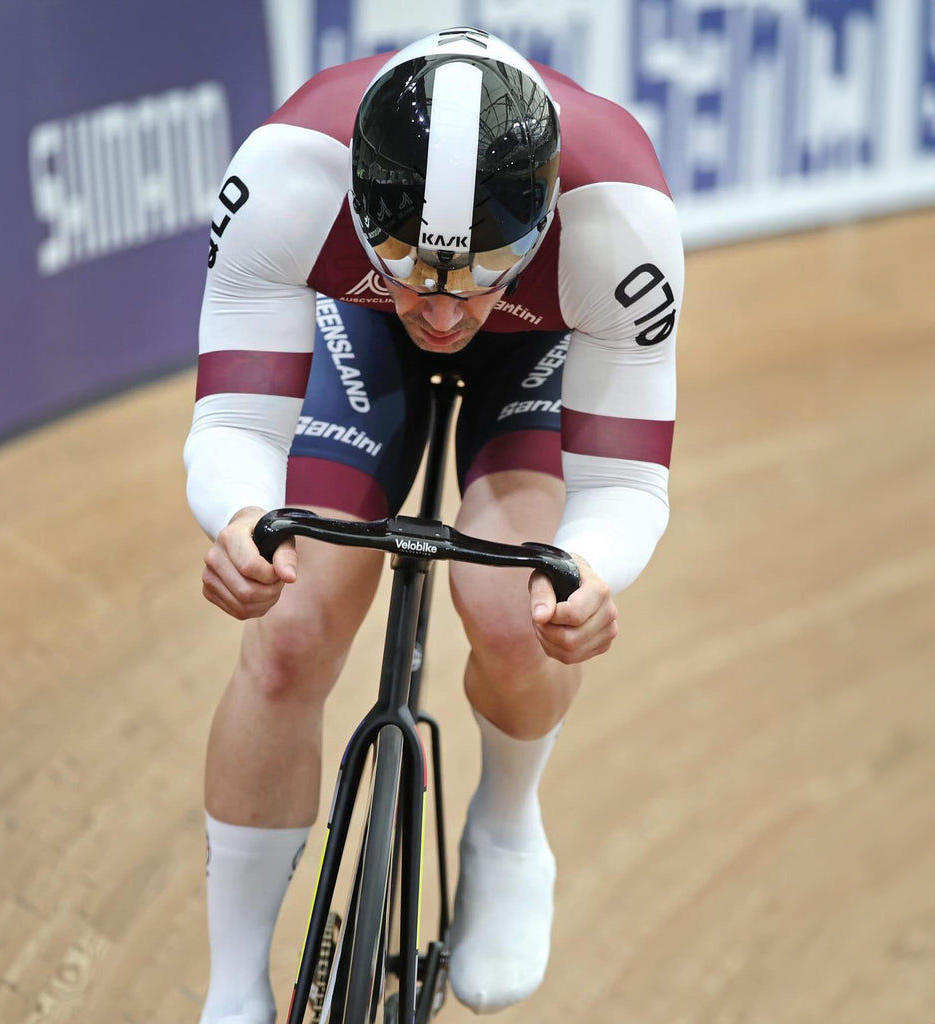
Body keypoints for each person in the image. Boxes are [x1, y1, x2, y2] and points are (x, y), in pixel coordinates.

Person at [184, 26, 683, 1024]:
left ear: (537, 224)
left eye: (478, 273)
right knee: (285, 634)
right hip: (355, 324)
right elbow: (236, 420)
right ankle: (233, 985)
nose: (445, 312)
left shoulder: (616, 221)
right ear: (363, 212)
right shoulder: (290, 175)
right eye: (410, 267)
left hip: (542, 341)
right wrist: (241, 517)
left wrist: (586, 572)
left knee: (514, 612)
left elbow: (624, 485)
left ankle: (505, 819)